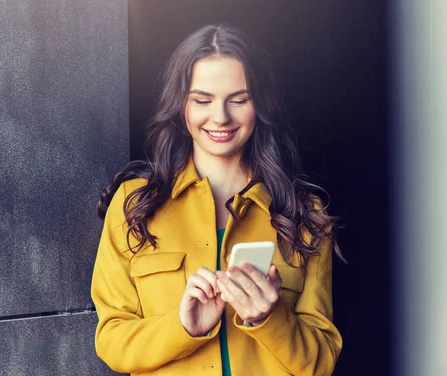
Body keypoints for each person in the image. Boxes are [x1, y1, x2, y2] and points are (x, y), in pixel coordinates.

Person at [91, 24, 343, 376]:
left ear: (260, 103)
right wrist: (183, 328)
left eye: (239, 100)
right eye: (203, 100)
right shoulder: (132, 204)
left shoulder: (303, 213)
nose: (221, 117)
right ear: (182, 105)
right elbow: (112, 341)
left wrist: (269, 318)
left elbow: (321, 361)